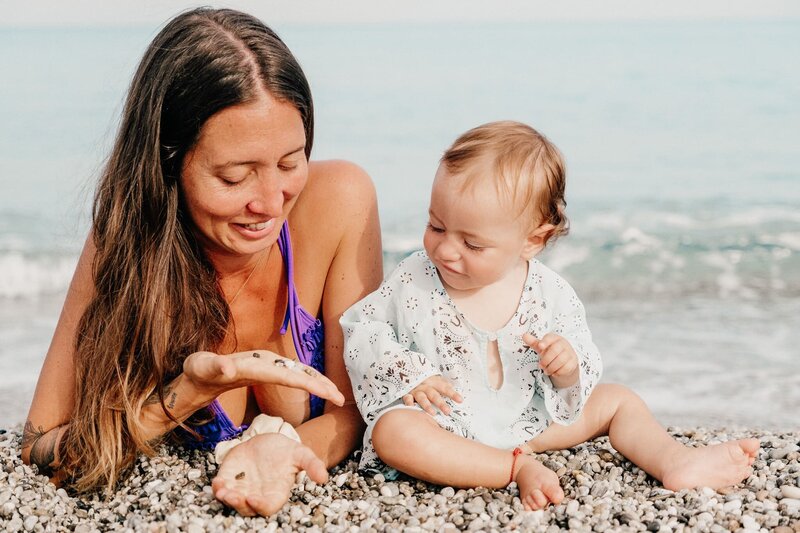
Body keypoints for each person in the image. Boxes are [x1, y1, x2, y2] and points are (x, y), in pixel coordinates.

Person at [21, 8, 382, 517]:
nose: (271, 202)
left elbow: (362, 407)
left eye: (289, 162)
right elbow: (38, 442)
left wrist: (281, 451)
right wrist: (188, 393)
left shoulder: (341, 201)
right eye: (235, 177)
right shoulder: (126, 243)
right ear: (169, 163)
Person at [341, 121, 759, 511]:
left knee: (617, 400)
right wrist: (411, 373)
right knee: (395, 432)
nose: (446, 250)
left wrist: (566, 367)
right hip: (450, 426)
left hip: (530, 420)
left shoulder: (549, 292)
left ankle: (674, 460)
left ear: (531, 241)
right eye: (436, 226)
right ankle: (512, 468)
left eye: (472, 243)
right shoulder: (414, 278)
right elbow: (363, 330)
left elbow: (578, 360)